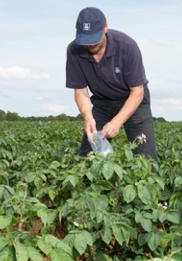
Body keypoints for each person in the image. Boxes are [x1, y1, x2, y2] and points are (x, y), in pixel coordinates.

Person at [66, 7, 158, 160]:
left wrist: (117, 122)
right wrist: (88, 116)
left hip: (133, 100)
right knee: (88, 156)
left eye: (94, 38)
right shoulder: (74, 50)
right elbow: (81, 91)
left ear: (105, 27)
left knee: (146, 159)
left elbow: (137, 92)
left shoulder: (127, 46)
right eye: (85, 40)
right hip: (102, 102)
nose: (90, 45)